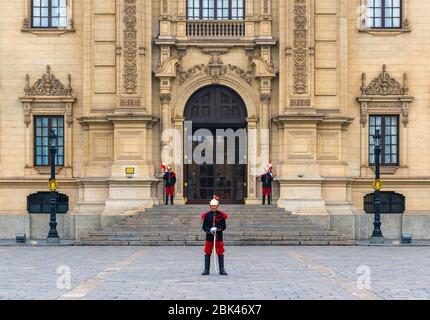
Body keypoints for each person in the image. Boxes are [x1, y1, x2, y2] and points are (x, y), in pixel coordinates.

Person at [201, 196, 228, 276]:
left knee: (220, 251)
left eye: (215, 206)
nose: (213, 207)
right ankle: (206, 269)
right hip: (209, 236)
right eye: (212, 206)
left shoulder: (221, 215)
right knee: (207, 251)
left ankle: (222, 269)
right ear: (210, 206)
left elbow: (224, 227)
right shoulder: (207, 215)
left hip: (218, 236)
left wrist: (217, 229)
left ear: (217, 206)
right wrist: (209, 230)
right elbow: (204, 227)